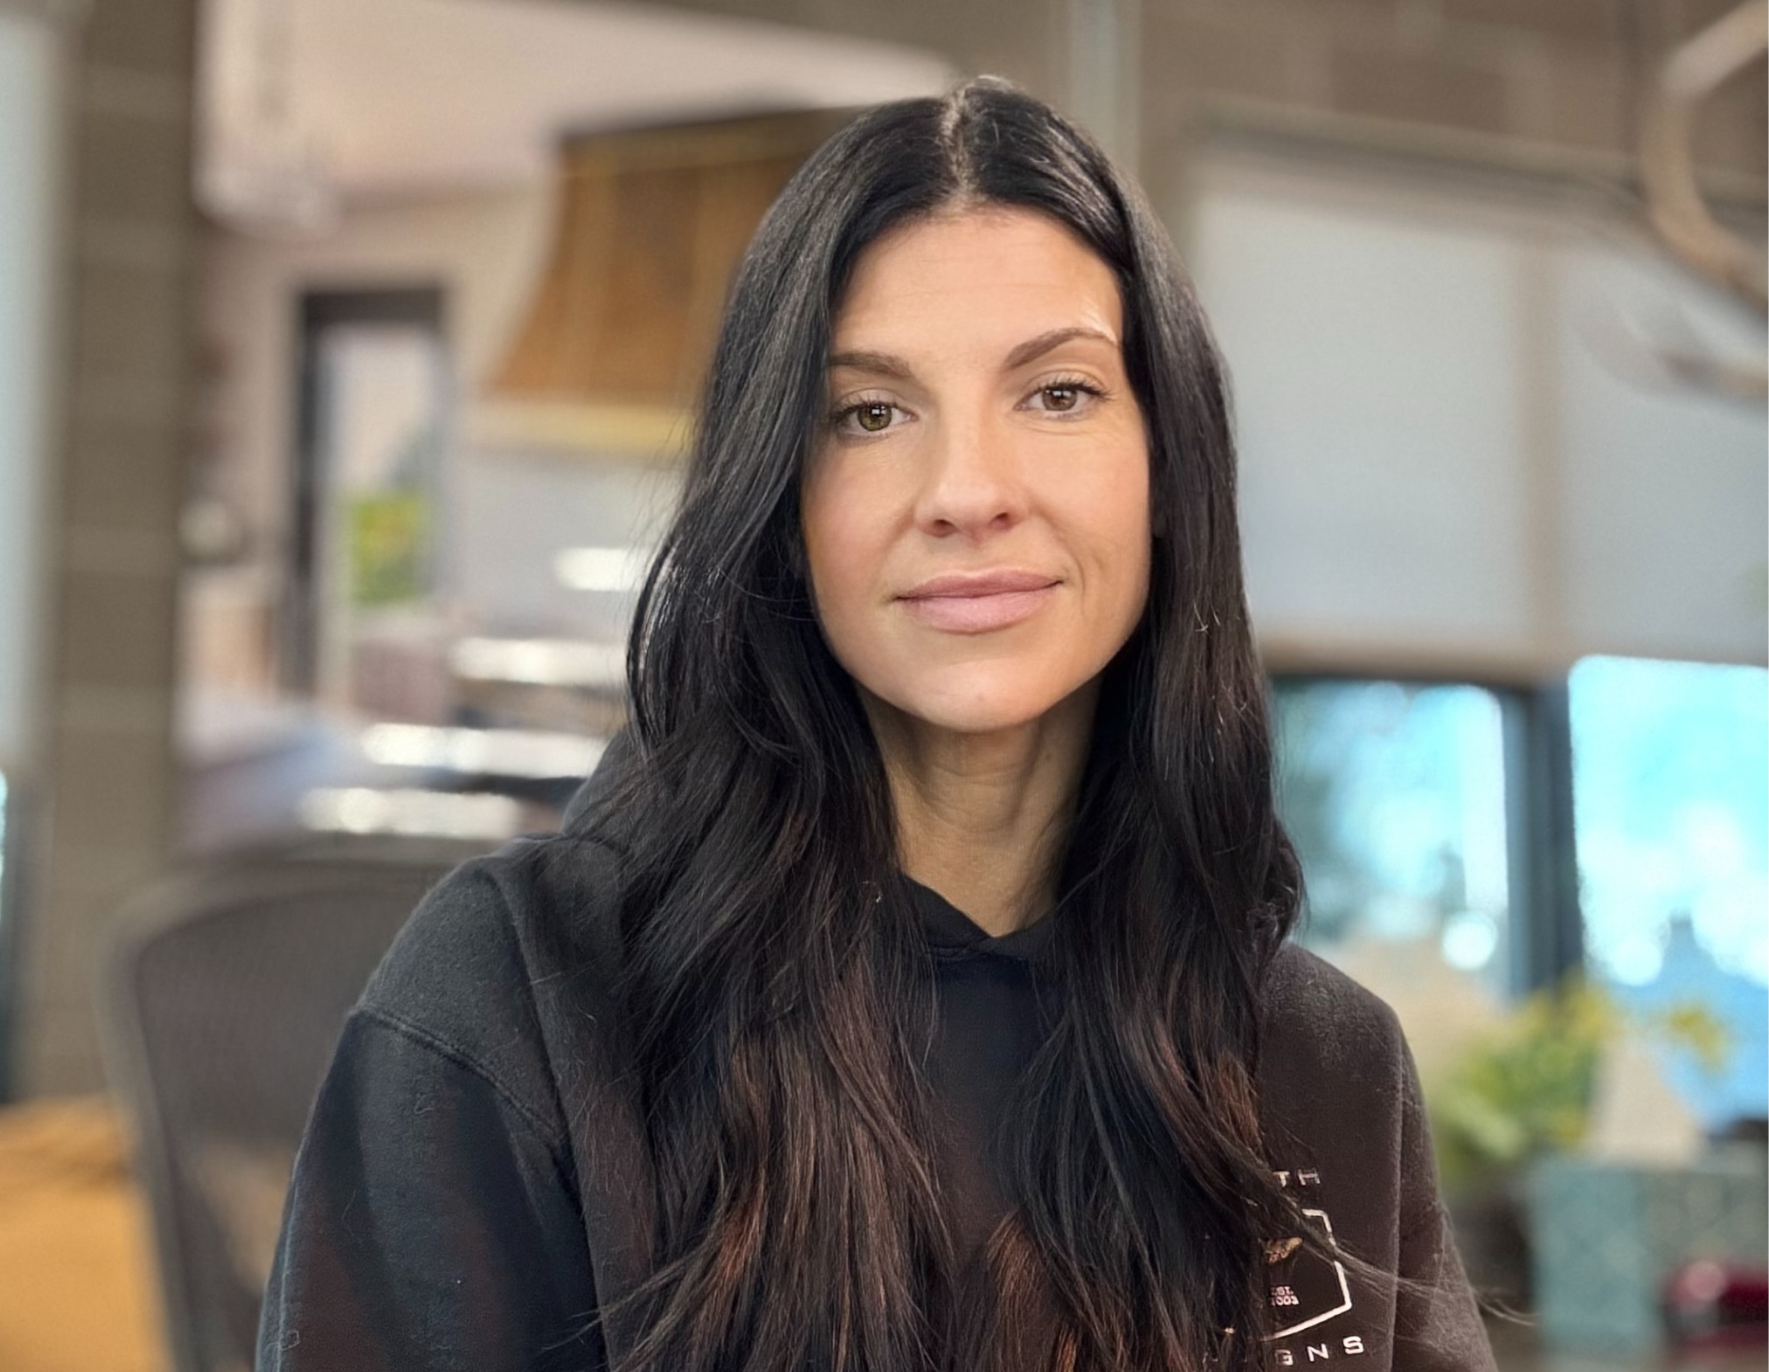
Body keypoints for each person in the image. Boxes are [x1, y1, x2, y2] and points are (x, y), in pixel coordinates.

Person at [256, 78, 1497, 1372]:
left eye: (1059, 395)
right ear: (784, 506)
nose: (967, 491)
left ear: (1170, 470)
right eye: (870, 413)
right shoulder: (518, 1004)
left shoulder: (1319, 1063)